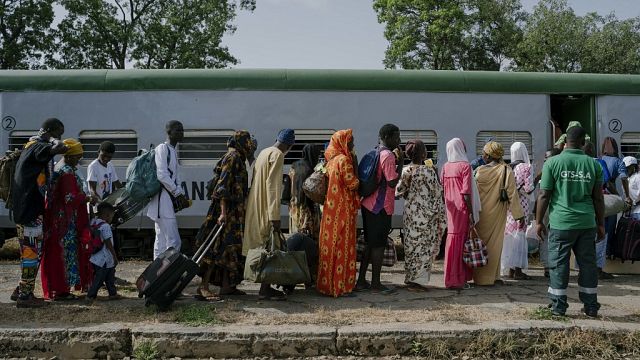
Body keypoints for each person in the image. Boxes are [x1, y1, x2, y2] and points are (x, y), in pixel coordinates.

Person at [536, 126, 604, 318]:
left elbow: (544, 195)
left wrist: (539, 221)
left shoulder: (553, 163)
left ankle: (559, 307)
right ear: (583, 142)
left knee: (559, 265)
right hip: (586, 224)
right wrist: (600, 224)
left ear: (565, 141)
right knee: (588, 265)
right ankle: (591, 306)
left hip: (561, 224)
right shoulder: (594, 165)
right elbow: (598, 198)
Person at [11, 118, 67, 308]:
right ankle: (25, 296)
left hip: (27, 208)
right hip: (30, 210)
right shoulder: (38, 146)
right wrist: (52, 139)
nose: (61, 137)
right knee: (31, 252)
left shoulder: (31, 146)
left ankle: (21, 289)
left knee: (32, 251)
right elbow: (61, 148)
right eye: (59, 133)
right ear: (49, 131)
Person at [195, 130, 253, 301]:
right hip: (226, 213)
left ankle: (227, 287)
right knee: (217, 248)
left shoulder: (237, 157)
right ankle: (203, 287)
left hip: (234, 213)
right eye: (247, 141)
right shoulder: (233, 157)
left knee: (230, 249)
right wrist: (222, 213)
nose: (250, 145)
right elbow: (222, 186)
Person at [243, 128, 295, 300]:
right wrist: (275, 217)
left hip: (255, 205)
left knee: (260, 247)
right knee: (270, 248)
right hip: (266, 208)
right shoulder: (278, 156)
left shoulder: (265, 152)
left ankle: (263, 286)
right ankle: (265, 288)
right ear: (289, 145)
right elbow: (273, 187)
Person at [40, 138, 93, 300]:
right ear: (69, 156)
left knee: (56, 254)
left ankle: (58, 290)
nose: (79, 160)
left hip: (56, 220)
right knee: (64, 255)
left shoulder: (58, 167)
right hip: (65, 223)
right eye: (77, 157)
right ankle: (61, 291)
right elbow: (70, 198)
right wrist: (86, 198)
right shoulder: (68, 172)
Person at [356, 124, 403, 294]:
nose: (399, 141)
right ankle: (376, 283)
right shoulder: (388, 156)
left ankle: (361, 280)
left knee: (369, 243)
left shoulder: (375, 151)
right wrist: (401, 162)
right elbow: (391, 182)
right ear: (388, 137)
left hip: (368, 204)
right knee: (378, 245)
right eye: (397, 137)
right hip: (380, 207)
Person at [395, 140, 446, 291]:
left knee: (411, 246)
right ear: (423, 154)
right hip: (426, 215)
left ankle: (411, 278)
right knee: (424, 248)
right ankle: (416, 281)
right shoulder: (429, 171)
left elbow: (398, 192)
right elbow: (437, 193)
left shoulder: (406, 171)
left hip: (411, 215)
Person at [473, 141, 524, 286]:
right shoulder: (506, 170)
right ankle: (491, 278)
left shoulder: (479, 170)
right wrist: (518, 215)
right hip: (497, 212)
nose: (482, 155)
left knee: (480, 244)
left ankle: (482, 277)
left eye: (484, 153)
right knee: (495, 245)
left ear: (488, 155)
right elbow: (512, 194)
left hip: (480, 213)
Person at [316, 129, 360, 297]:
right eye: (351, 141)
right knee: (343, 246)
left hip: (330, 210)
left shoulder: (331, 161)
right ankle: (340, 286)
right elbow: (353, 184)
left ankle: (326, 286)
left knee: (330, 246)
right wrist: (355, 163)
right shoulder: (344, 161)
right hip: (344, 211)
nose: (353, 144)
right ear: (343, 142)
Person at [441, 138, 480, 290]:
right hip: (462, 208)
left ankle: (449, 278)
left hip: (450, 208)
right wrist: (470, 212)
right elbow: (465, 193)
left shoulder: (445, 167)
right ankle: (458, 279)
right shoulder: (465, 166)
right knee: (461, 241)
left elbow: (442, 186)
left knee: (452, 240)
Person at [147, 120, 189, 260]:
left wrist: (180, 194)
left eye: (182, 130)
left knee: (161, 242)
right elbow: (162, 175)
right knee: (174, 241)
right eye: (177, 130)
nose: (181, 133)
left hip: (165, 201)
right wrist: (178, 193)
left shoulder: (172, 151)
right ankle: (167, 275)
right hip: (162, 201)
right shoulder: (162, 149)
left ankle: (157, 277)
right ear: (169, 132)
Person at [502, 142, 535, 280]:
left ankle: (509, 269)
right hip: (521, 206)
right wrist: (538, 179)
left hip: (508, 207)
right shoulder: (527, 167)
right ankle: (518, 270)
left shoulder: (507, 167)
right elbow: (528, 189)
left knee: (509, 236)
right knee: (520, 236)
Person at [86, 202, 121, 303]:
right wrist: (115, 256)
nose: (111, 219)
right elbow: (108, 243)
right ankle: (91, 295)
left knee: (110, 276)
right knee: (100, 278)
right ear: (107, 215)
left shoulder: (94, 222)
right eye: (111, 216)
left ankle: (113, 294)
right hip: (104, 258)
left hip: (95, 257)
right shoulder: (106, 226)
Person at [536, 148, 562, 278]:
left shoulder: (558, 172)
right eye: (545, 158)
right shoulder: (545, 172)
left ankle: (554, 266)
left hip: (556, 209)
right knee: (545, 237)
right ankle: (547, 267)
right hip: (546, 210)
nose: (546, 160)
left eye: (548, 158)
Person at [288, 144, 321, 238]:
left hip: (294, 205)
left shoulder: (294, 165)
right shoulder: (311, 169)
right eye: (317, 156)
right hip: (306, 207)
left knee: (295, 235)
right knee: (307, 236)